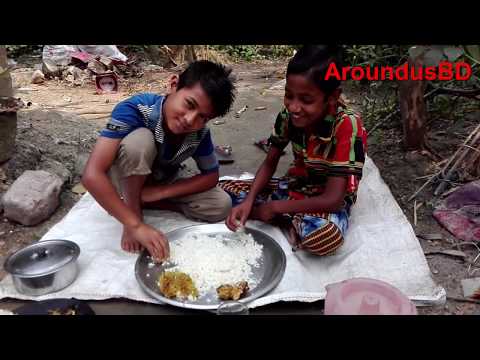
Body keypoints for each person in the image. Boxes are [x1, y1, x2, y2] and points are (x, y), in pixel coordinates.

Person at [82, 60, 235, 261]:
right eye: (189, 104)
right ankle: (133, 210)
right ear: (173, 85)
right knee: (139, 142)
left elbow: (212, 175)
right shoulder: (135, 109)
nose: (190, 120)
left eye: (203, 117)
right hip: (126, 176)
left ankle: (147, 200)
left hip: (162, 180)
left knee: (221, 205)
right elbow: (92, 174)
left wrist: (160, 192)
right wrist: (134, 225)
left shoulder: (199, 133)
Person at [223, 45, 367, 256]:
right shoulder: (287, 117)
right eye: (289, 96)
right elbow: (270, 162)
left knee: (325, 237)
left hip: (323, 203)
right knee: (221, 191)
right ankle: (283, 218)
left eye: (306, 100)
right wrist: (249, 200)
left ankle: (276, 216)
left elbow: (333, 199)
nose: (293, 107)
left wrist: (275, 208)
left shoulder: (348, 126)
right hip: (294, 188)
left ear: (332, 97)